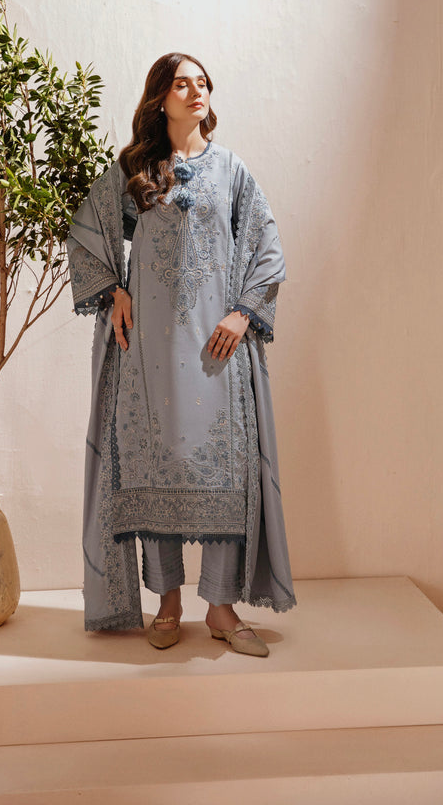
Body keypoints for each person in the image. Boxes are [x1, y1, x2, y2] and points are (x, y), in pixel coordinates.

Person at [67, 52, 296, 656]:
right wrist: (114, 289)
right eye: (181, 84)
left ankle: (220, 607)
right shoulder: (137, 171)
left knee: (226, 468)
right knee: (152, 465)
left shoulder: (232, 171)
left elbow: (267, 246)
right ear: (160, 100)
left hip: (217, 348)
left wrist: (243, 311)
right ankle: (167, 602)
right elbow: (86, 233)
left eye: (202, 83)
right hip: (149, 350)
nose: (196, 92)